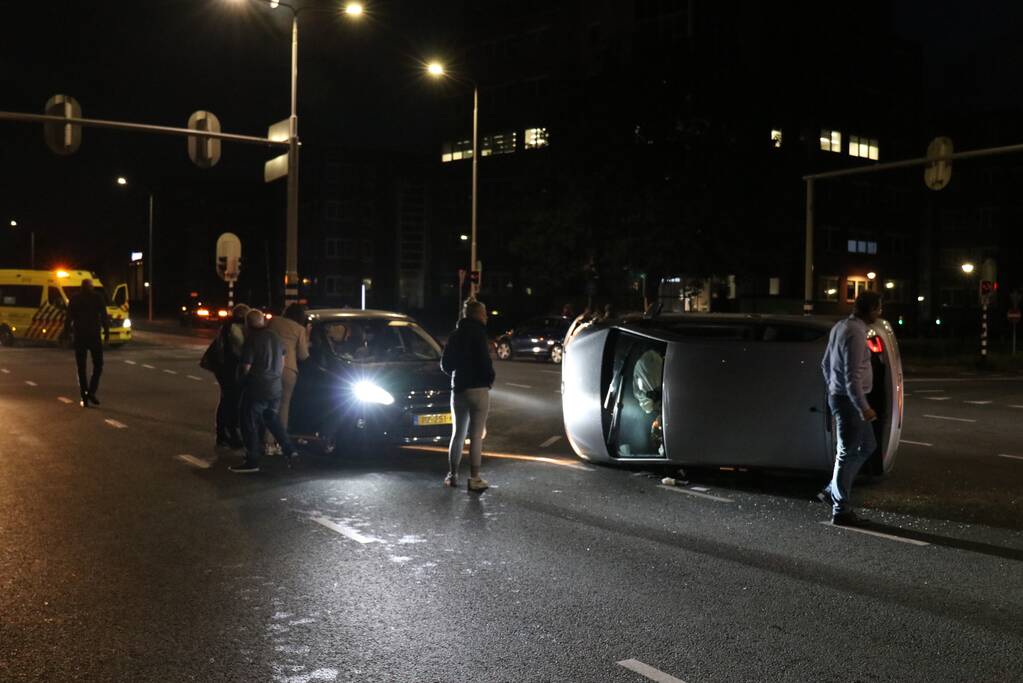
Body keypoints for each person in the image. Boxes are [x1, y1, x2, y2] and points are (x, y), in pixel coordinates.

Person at [819, 290, 883, 526]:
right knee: (846, 453)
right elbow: (852, 376)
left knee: (868, 445)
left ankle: (832, 490)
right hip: (850, 401)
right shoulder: (856, 333)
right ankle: (840, 509)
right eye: (879, 307)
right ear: (871, 309)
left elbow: (824, 364)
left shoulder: (840, 326)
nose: (880, 312)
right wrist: (862, 406)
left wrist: (832, 388)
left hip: (842, 397)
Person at [230, 310, 298, 474]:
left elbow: (246, 366)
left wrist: (242, 381)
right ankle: (290, 450)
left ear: (247, 323)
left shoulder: (252, 340)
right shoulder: (274, 336)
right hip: (275, 386)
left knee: (248, 421)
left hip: (257, 387)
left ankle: (252, 460)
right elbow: (282, 360)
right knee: (271, 418)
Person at [440, 299, 495, 492]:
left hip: (460, 389)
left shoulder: (455, 335)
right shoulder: (480, 334)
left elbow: (446, 365)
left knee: (458, 435)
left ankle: (452, 475)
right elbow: (485, 362)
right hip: (479, 389)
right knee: (476, 436)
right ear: (478, 314)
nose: (486, 316)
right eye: (485, 312)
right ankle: (475, 478)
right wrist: (489, 379)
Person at [265, 303, 310, 454]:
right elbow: (303, 355)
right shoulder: (300, 329)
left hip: (270, 367)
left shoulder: (274, 322)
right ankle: (280, 443)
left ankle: (267, 443)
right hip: (289, 370)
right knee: (284, 406)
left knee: (269, 406)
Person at [66, 279, 109, 407]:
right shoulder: (98, 297)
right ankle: (91, 391)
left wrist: (66, 333)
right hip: (94, 336)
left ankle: (84, 395)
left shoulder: (75, 298)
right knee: (98, 364)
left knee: (81, 368)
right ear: (91, 287)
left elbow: (68, 317)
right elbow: (104, 316)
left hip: (80, 336)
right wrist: (106, 332)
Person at [214, 304, 249, 449]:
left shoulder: (226, 326)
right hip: (232, 370)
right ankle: (229, 434)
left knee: (226, 401)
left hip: (225, 369)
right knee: (232, 402)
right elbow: (241, 348)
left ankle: (223, 433)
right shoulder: (235, 328)